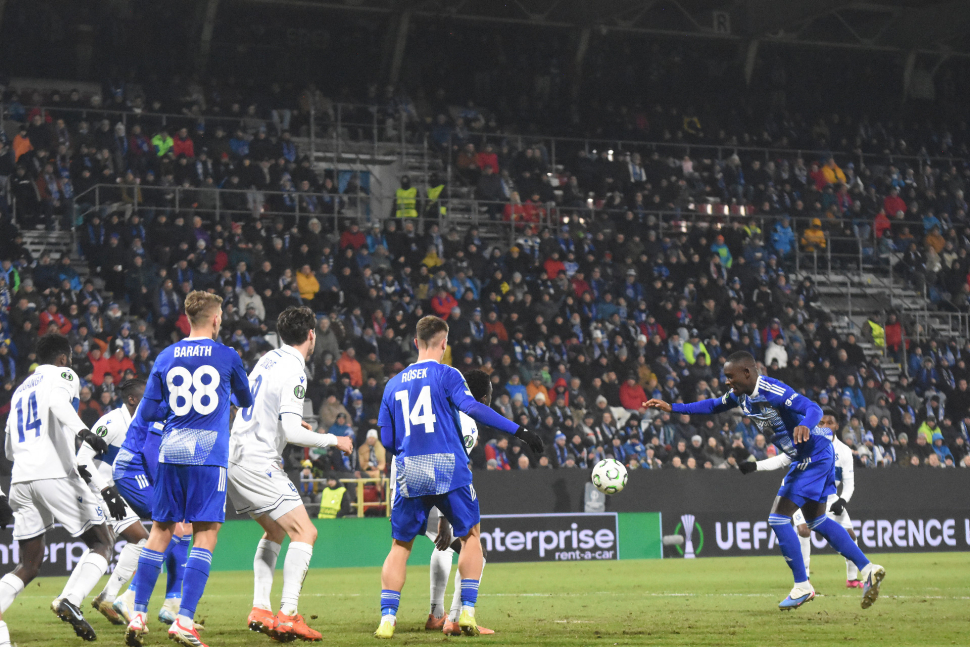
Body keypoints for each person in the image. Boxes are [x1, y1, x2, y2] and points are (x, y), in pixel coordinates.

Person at [645, 351, 884, 611]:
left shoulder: (773, 389)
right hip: (813, 455)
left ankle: (802, 586)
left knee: (778, 518)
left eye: (730, 376)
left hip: (811, 455)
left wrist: (806, 424)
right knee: (817, 520)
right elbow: (713, 405)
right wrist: (673, 407)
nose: (727, 382)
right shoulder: (740, 395)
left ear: (747, 372)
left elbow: (813, 408)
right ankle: (867, 568)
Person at [374, 315, 543, 638]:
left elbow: (386, 440)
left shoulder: (393, 384)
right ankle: (465, 612)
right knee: (471, 537)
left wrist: (409, 451)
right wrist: (520, 431)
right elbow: (473, 408)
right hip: (448, 466)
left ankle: (387, 619)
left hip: (410, 469)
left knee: (401, 546)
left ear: (415, 343)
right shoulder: (447, 374)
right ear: (444, 344)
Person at [125, 291, 253, 647]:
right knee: (206, 533)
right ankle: (184, 619)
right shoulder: (227, 356)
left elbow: (148, 412)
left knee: (161, 530)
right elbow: (246, 401)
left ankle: (137, 612)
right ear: (215, 319)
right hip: (209, 454)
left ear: (187, 318)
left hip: (171, 450)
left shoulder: (166, 356)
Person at [228, 306, 353, 641]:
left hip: (235, 456)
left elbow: (257, 406)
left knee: (274, 532)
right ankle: (288, 614)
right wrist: (334, 440)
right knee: (305, 532)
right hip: (257, 461)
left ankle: (260, 608)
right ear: (311, 336)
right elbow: (294, 435)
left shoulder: (268, 359)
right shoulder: (296, 370)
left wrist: (290, 425)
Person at [0, 333, 115, 643]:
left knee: (29, 563)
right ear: (63, 358)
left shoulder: (21, 390)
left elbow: (9, 448)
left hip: (20, 479)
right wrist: (85, 432)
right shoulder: (63, 374)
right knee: (103, 542)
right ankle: (71, 599)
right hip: (54, 474)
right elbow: (56, 402)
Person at [748, 408, 861, 587]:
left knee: (850, 534)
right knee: (803, 529)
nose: (825, 426)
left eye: (829, 423)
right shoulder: (807, 441)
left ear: (837, 426)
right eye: (821, 423)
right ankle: (805, 577)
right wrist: (755, 466)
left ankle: (853, 578)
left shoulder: (845, 452)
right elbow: (781, 459)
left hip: (829, 497)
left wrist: (842, 500)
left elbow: (849, 482)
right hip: (801, 494)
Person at [423, 369, 494, 635]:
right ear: (484, 398)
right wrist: (445, 517)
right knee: (474, 550)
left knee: (443, 545)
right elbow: (448, 468)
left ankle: (436, 613)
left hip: (408, 484)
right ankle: (454, 619)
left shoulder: (440, 406)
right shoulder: (467, 422)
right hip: (436, 487)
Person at [78, 378, 153, 624]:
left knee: (108, 545)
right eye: (145, 396)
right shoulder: (111, 422)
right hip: (99, 492)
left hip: (117, 494)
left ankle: (84, 598)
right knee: (141, 539)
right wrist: (104, 489)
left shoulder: (142, 425)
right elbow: (82, 459)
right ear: (132, 399)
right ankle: (105, 597)